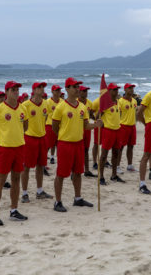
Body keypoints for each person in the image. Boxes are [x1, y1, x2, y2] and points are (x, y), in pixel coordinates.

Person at [52, 77, 103, 212]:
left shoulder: (82, 107)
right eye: (74, 86)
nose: (77, 89)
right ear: (67, 89)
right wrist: (64, 135)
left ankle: (78, 198)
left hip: (78, 143)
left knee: (78, 172)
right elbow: (55, 127)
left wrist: (95, 125)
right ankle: (57, 201)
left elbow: (85, 125)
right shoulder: (61, 106)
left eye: (78, 86)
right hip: (65, 144)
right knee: (61, 174)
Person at [0, 81, 29, 226]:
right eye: (13, 90)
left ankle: (14, 210)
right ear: (7, 92)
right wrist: (1, 136)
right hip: (4, 149)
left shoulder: (22, 108)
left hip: (19, 147)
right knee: (1, 180)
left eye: (17, 90)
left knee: (16, 179)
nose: (16, 92)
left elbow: (25, 125)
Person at [21, 82, 53, 203]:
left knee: (41, 165)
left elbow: (45, 118)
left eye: (43, 87)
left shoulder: (46, 103)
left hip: (42, 137)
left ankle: (39, 191)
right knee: (26, 167)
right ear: (33, 90)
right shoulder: (26, 105)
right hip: (29, 138)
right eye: (39, 87)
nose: (42, 89)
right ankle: (24, 193)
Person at [96, 83, 125, 185]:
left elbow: (119, 114)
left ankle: (114, 175)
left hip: (117, 130)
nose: (116, 91)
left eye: (117, 89)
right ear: (109, 91)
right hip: (108, 131)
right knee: (104, 155)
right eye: (114, 89)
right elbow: (97, 117)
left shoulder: (117, 102)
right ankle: (101, 176)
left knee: (116, 153)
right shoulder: (105, 103)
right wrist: (102, 123)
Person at [117, 83, 138, 172]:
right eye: (129, 88)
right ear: (125, 90)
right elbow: (118, 114)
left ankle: (129, 165)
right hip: (123, 126)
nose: (131, 89)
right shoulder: (120, 101)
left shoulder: (134, 101)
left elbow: (135, 113)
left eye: (132, 88)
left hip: (132, 126)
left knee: (131, 146)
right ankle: (117, 166)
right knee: (120, 147)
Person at [78, 85, 97, 178]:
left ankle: (87, 170)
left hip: (87, 129)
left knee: (86, 150)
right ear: (79, 92)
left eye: (86, 91)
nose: (85, 92)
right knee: (77, 151)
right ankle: (74, 171)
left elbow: (91, 115)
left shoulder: (89, 103)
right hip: (77, 129)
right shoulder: (76, 102)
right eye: (83, 91)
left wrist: (97, 118)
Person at [46, 85, 62, 165]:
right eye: (56, 90)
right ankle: (44, 160)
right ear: (52, 91)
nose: (58, 92)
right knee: (48, 144)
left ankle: (53, 157)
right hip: (49, 125)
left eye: (59, 90)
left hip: (60, 126)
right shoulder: (47, 102)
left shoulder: (62, 102)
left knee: (58, 144)